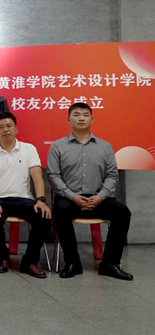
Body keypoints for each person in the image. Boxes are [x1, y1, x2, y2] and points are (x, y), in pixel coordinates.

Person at [47, 102, 133, 280]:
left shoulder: (105, 146)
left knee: (122, 212)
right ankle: (72, 263)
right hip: (70, 198)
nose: (81, 118)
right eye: (76, 115)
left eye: (85, 115)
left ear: (92, 120)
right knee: (60, 211)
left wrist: (100, 197)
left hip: (98, 198)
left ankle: (110, 264)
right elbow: (53, 176)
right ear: (68, 119)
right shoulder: (57, 146)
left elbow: (112, 175)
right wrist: (73, 197)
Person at [0, 112, 51, 278]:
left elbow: (37, 178)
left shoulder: (29, 149)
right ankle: (3, 257)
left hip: (24, 199)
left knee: (43, 217)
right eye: (1, 127)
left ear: (16, 129)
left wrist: (40, 200)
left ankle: (29, 261)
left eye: (9, 126)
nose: (6, 130)